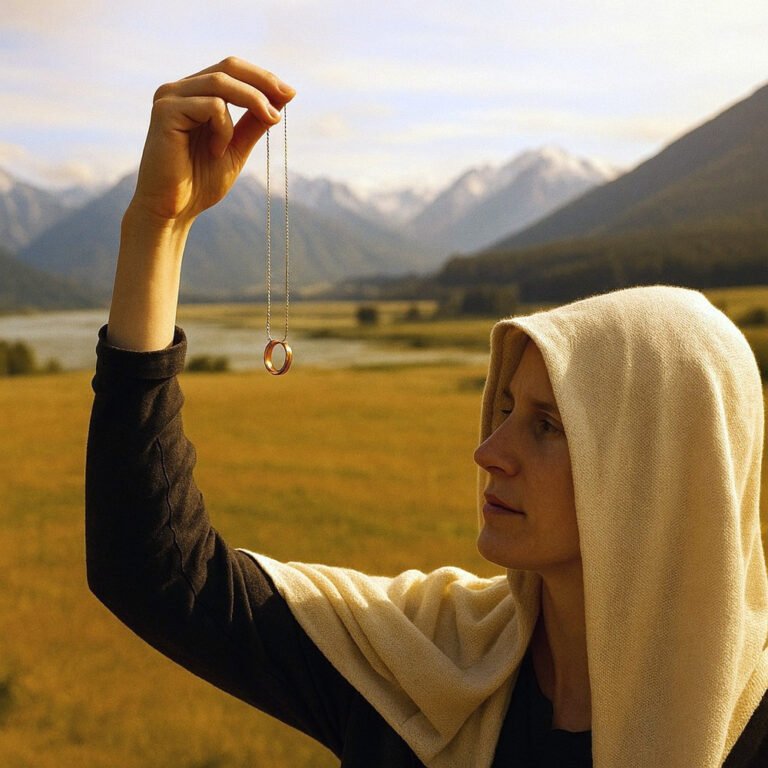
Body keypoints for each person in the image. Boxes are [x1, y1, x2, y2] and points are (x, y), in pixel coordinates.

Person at [85, 57, 768, 767]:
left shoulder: (751, 727)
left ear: (658, 471)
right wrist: (157, 229)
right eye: (504, 408)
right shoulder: (421, 669)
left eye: (548, 426)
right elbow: (154, 570)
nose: (489, 451)